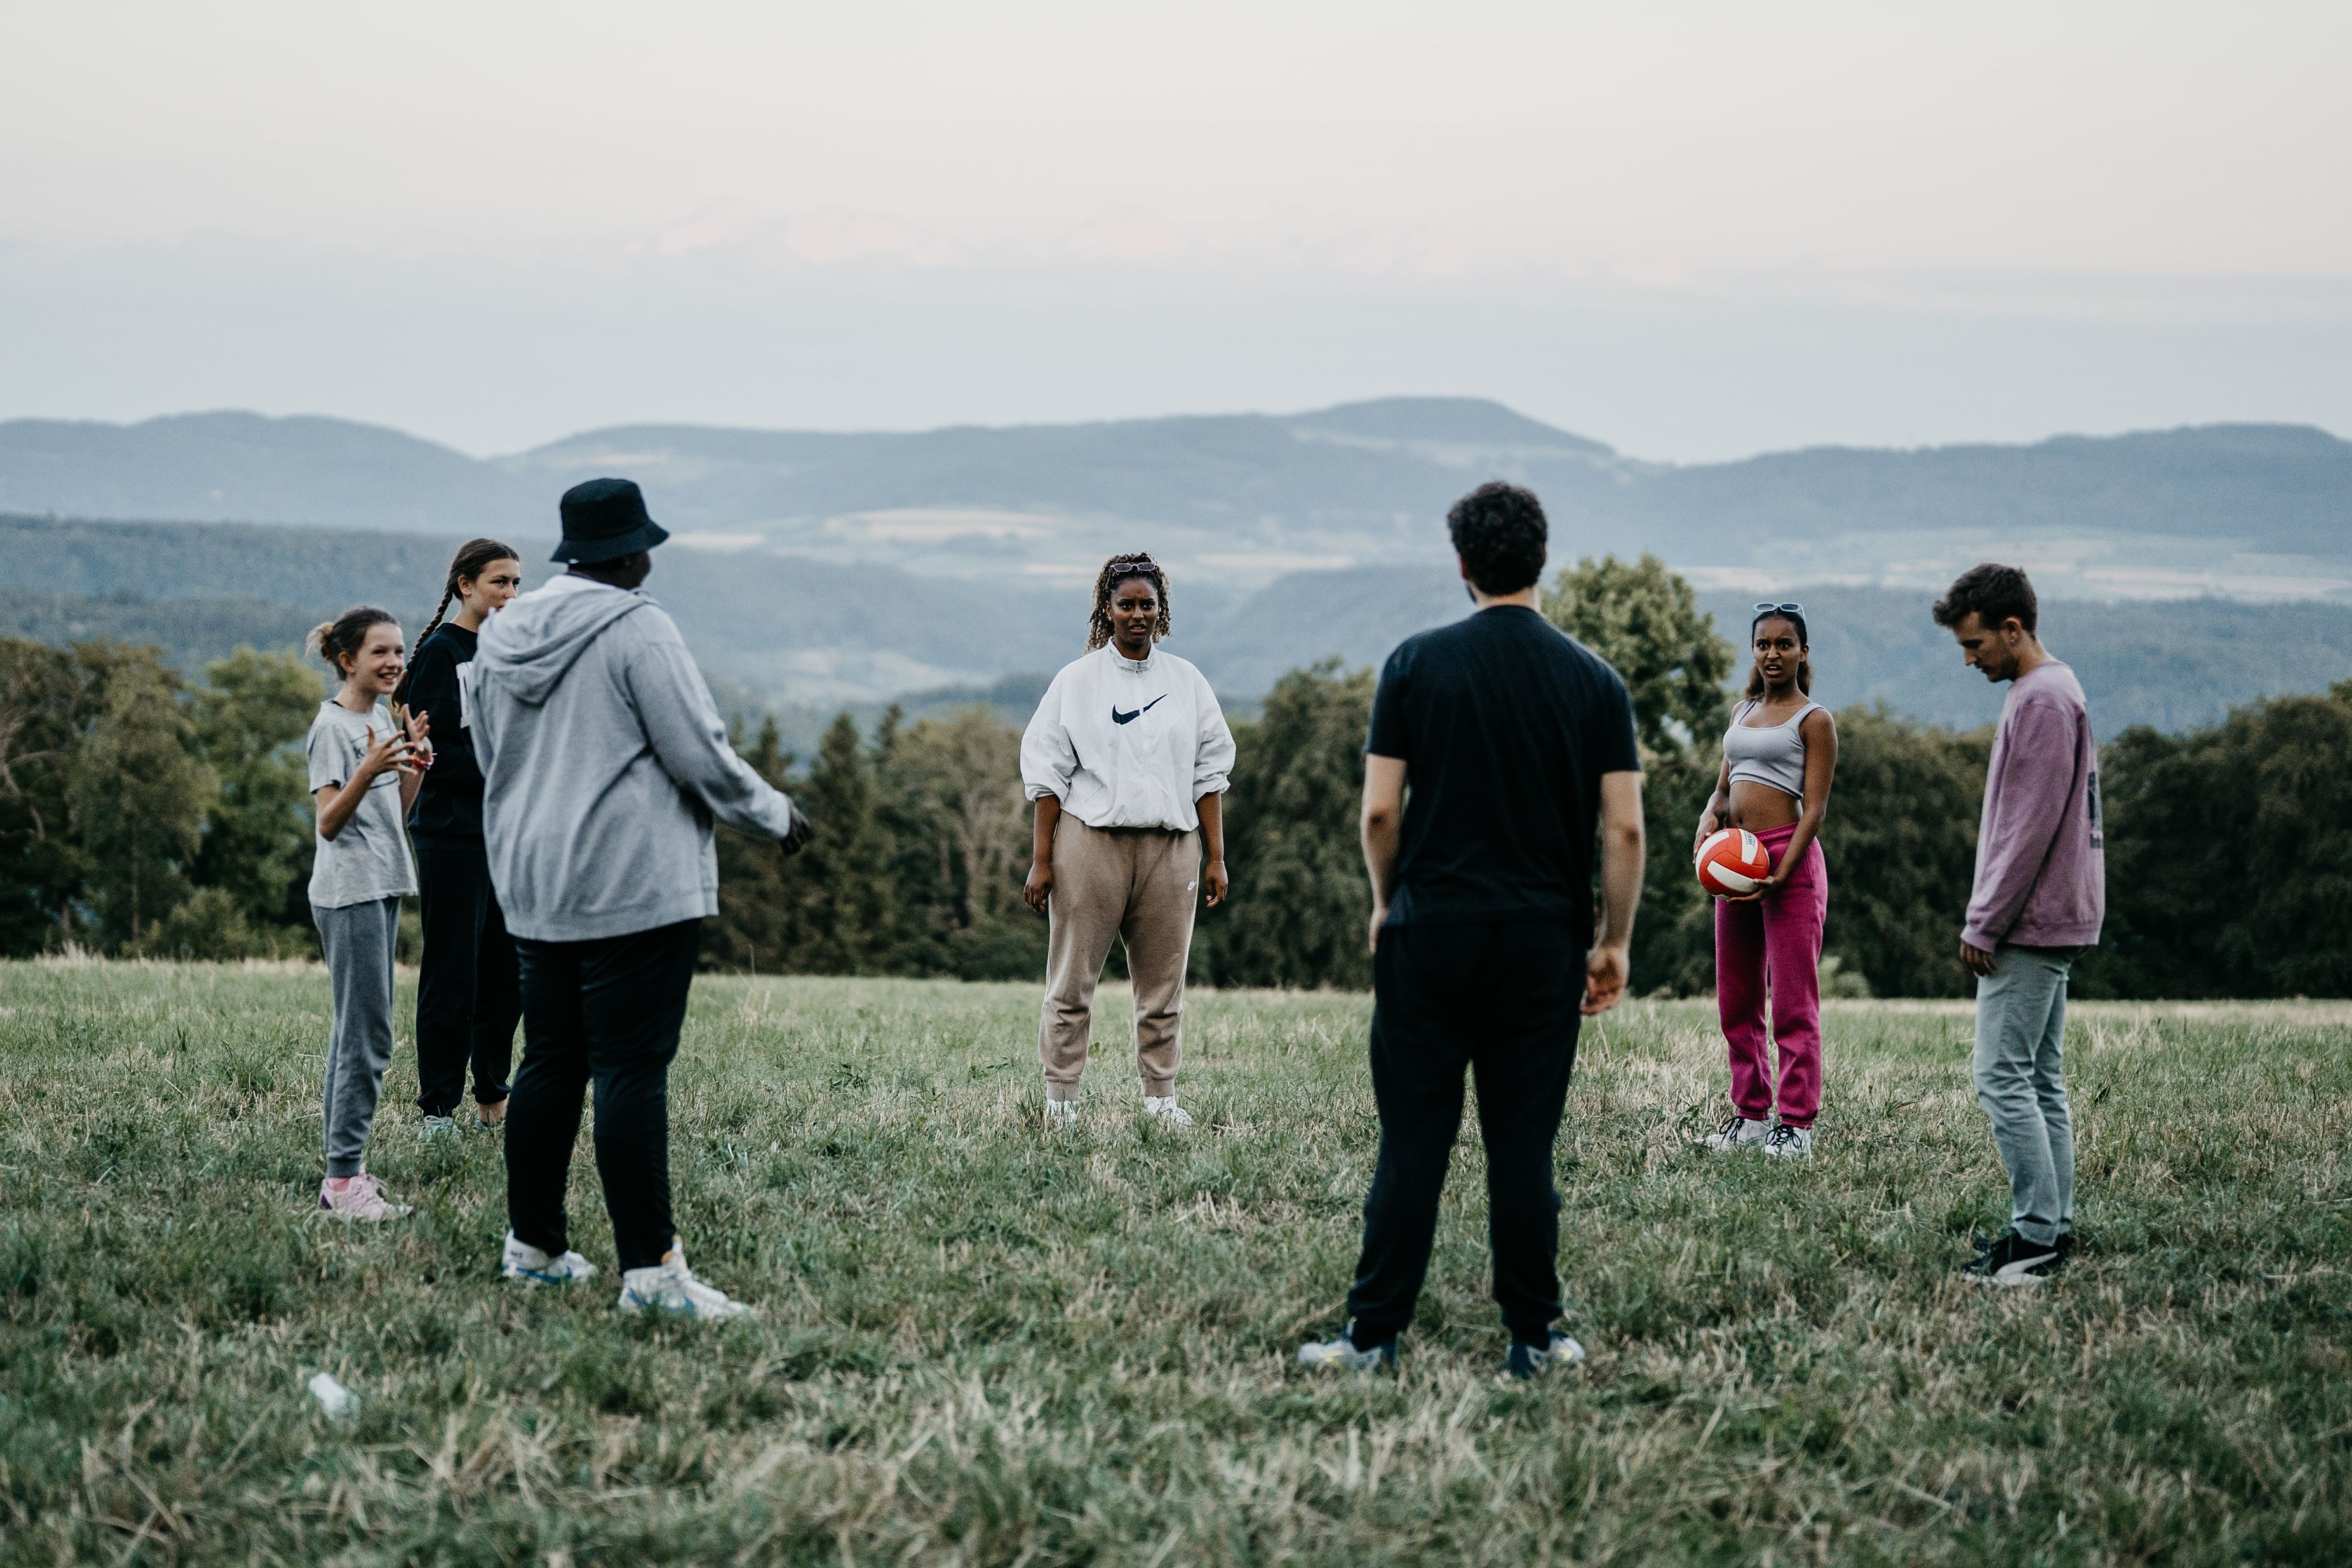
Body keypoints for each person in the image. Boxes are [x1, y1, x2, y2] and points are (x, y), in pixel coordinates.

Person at [1298, 482, 1645, 1381]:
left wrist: (1386, 903)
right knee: (1523, 1150)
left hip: (1430, 935)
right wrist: (1613, 941)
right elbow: (1627, 829)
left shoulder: (1414, 663)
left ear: (1462, 564)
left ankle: (1372, 1336)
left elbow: (1380, 814)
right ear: (1541, 557)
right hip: (1541, 941)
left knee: (1412, 1144)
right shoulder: (1595, 680)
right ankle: (1534, 1335)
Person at [465, 477, 812, 1316]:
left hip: (534, 878)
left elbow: (487, 749)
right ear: (628, 553)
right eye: (644, 544)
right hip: (632, 884)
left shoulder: (506, 633)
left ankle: (535, 1246)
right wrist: (775, 814)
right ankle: (652, 1275)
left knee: (549, 1060)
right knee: (630, 1068)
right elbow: (697, 750)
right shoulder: (638, 628)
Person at [1020, 551, 1235, 1129]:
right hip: (1090, 846)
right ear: (1107, 610)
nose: (1137, 614)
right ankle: (1061, 1102)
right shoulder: (1078, 681)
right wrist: (1042, 863)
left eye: (1148, 605)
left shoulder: (1186, 682)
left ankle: (1160, 1102)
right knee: (1070, 982)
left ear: (1162, 612)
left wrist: (1216, 857)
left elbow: (1209, 775)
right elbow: (1047, 778)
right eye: (1126, 605)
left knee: (1163, 987)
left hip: (1171, 848)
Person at [1933, 563, 2104, 1287]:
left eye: (1976, 644)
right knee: (2038, 1078)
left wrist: (1984, 921)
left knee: (2000, 1077)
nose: (1969, 659)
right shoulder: (2055, 688)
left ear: (2013, 629)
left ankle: (2034, 1239)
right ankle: (2051, 1227)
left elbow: (2025, 830)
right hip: (2055, 917)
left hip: (2029, 924)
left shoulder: (2038, 701)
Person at [1693, 604, 1839, 1158]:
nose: (1772, 654)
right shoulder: (1743, 710)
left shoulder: (1814, 719)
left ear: (1803, 652)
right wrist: (1710, 818)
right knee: (1737, 995)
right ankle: (1751, 1116)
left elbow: (1816, 810)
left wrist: (1782, 872)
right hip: (1736, 858)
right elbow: (1724, 787)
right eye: (1763, 644)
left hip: (1789, 861)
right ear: (1753, 650)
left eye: (1784, 644)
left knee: (1793, 1001)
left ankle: (1796, 1125)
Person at [393, 538, 524, 1140]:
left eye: (517, 583)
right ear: (465, 585)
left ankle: (493, 1094)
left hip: (508, 834)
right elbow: (434, 753)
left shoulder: (510, 651)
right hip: (452, 833)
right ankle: (437, 1109)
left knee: (507, 970)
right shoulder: (443, 653)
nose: (511, 594)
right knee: (452, 972)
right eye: (500, 582)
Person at [305, 606, 432, 1221]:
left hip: (381, 881)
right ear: (347, 659)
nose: (394, 663)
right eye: (380, 652)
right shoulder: (332, 728)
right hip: (348, 888)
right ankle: (343, 1181)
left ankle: (345, 1169)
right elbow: (329, 822)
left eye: (400, 652)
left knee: (355, 1034)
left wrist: (415, 766)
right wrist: (368, 768)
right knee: (368, 1037)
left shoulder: (381, 716)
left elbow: (393, 812)